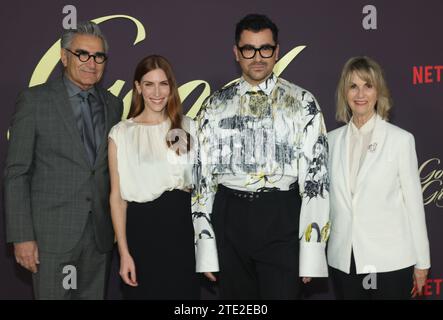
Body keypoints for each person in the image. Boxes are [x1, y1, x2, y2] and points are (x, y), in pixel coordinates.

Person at [191, 14, 330, 299]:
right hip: (230, 216)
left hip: (282, 217)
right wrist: (205, 247)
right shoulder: (215, 104)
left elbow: (317, 182)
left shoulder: (304, 103)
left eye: (265, 48)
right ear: (236, 53)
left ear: (277, 51)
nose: (258, 57)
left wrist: (312, 252)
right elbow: (201, 180)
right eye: (249, 49)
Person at [4, 21, 123, 299]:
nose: (91, 63)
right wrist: (22, 236)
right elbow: (17, 173)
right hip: (51, 238)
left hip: (99, 237)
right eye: (82, 54)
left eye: (98, 56)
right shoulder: (35, 101)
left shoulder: (113, 105)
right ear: (64, 56)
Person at [327, 56, 431, 299]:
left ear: (378, 92)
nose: (360, 93)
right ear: (345, 92)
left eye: (368, 85)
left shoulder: (400, 140)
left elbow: (414, 205)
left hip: (391, 261)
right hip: (345, 259)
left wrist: (422, 261)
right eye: (353, 86)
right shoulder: (330, 142)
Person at [108, 55, 199, 299]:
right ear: (138, 87)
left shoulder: (188, 127)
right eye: (149, 84)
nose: (157, 92)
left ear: (171, 87)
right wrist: (124, 252)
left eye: (163, 84)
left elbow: (203, 189)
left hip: (183, 231)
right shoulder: (122, 133)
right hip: (142, 232)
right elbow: (117, 198)